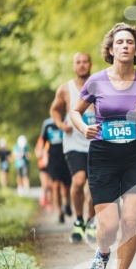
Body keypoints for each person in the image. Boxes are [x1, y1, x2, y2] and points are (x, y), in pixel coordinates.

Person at [70, 23, 136, 269]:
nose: (125, 46)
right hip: (103, 156)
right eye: (120, 42)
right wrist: (82, 127)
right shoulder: (96, 81)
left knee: (131, 221)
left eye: (130, 42)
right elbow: (76, 112)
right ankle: (102, 253)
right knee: (109, 226)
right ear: (110, 50)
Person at [51, 52, 97, 243]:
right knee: (78, 182)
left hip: (96, 143)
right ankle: (78, 221)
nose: (82, 65)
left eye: (85, 61)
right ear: (74, 66)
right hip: (73, 143)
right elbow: (55, 109)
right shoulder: (65, 89)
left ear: (90, 64)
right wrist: (61, 124)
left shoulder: (100, 85)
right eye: (78, 62)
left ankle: (91, 223)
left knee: (94, 187)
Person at [38, 117, 72, 224]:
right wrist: (42, 154)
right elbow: (41, 142)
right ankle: (60, 212)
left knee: (66, 188)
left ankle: (67, 204)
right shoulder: (47, 124)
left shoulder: (66, 121)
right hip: (52, 158)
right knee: (56, 185)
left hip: (66, 157)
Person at [34, 132, 53, 210]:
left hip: (51, 164)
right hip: (42, 165)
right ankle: (45, 198)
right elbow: (37, 152)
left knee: (51, 185)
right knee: (45, 185)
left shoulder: (51, 139)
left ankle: (49, 202)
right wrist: (42, 153)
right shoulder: (41, 140)